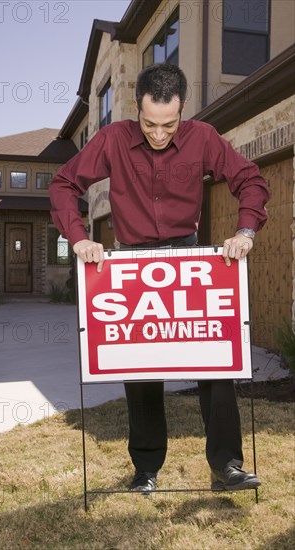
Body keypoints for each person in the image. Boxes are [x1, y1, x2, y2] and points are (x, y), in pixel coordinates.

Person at [49, 63, 269, 494]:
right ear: (137, 109)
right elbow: (63, 184)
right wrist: (78, 238)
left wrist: (245, 232)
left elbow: (250, 180)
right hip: (131, 262)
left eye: (169, 125)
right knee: (142, 371)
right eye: (150, 124)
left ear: (182, 110)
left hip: (190, 260)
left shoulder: (203, 137)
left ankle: (227, 467)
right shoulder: (112, 139)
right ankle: (146, 470)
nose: (159, 134)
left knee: (216, 364)